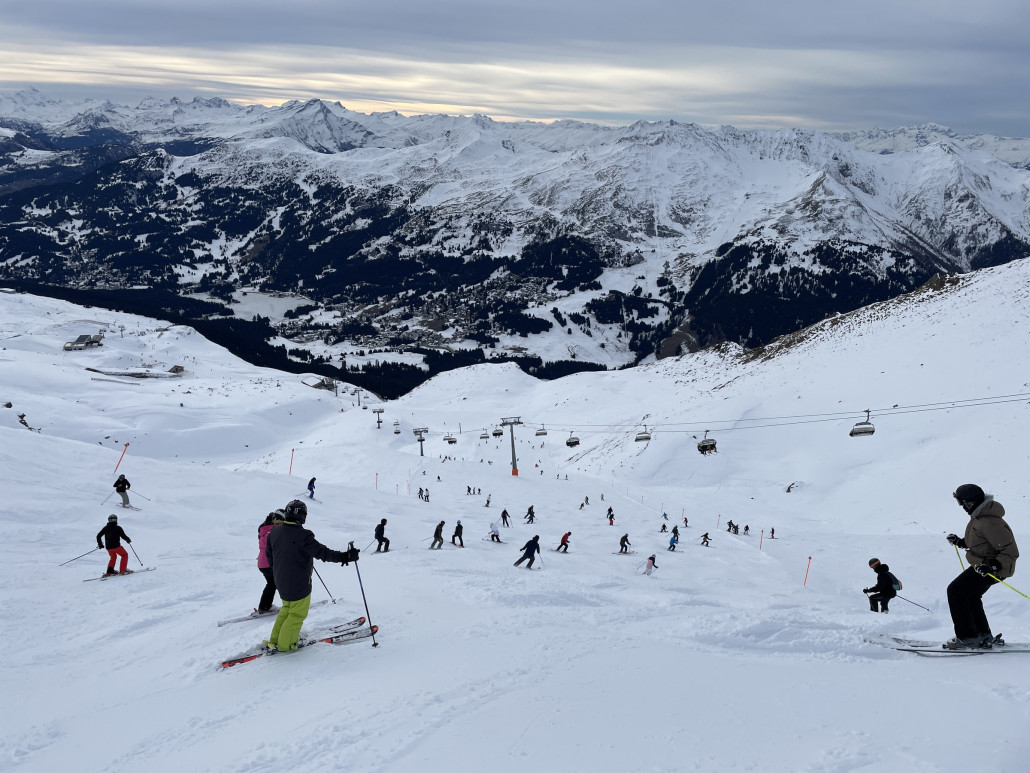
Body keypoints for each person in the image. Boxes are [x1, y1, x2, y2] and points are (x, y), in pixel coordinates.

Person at [264, 500, 358, 653]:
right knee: (296, 615)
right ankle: (286, 645)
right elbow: (323, 553)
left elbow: (270, 556)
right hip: (298, 583)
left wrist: (280, 571)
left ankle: (275, 640)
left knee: (286, 610)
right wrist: (345, 557)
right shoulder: (303, 535)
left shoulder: (274, 531)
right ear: (302, 516)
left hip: (281, 580)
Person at [944, 484, 1019, 649]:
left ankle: (968, 637)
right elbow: (981, 542)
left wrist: (992, 566)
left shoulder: (991, 522)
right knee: (970, 596)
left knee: (955, 591)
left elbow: (1011, 552)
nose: (962, 507)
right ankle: (982, 634)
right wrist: (960, 542)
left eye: (962, 503)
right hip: (983, 566)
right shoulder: (979, 517)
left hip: (993, 569)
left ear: (970, 502)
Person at [257, 510, 283, 613]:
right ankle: (264, 607)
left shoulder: (264, 530)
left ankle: (265, 606)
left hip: (262, 563)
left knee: (272, 584)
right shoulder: (273, 532)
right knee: (277, 583)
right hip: (269, 562)